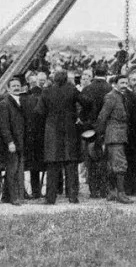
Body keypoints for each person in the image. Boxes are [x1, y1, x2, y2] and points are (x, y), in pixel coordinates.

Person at [38, 69, 82, 204]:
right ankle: (73, 196)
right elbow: (87, 102)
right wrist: (80, 117)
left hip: (52, 131)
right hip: (69, 130)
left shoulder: (46, 91)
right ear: (66, 79)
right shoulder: (72, 90)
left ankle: (50, 197)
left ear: (54, 79)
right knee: (71, 164)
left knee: (52, 165)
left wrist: (48, 119)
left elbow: (39, 111)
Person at [95, 74, 133, 203]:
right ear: (115, 84)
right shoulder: (111, 97)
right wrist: (99, 135)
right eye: (122, 83)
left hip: (119, 135)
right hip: (114, 135)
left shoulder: (122, 97)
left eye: (126, 83)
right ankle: (120, 194)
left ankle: (112, 192)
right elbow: (102, 117)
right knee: (119, 164)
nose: (124, 86)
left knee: (113, 165)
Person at [78, 65, 113, 199]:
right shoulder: (110, 89)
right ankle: (104, 189)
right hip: (105, 128)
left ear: (94, 74)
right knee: (104, 160)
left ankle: (93, 190)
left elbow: (82, 108)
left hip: (90, 129)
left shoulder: (87, 89)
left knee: (91, 161)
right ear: (106, 74)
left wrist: (84, 120)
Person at [0, 76, 26, 205]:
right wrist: (10, 142)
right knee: (12, 170)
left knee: (16, 169)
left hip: (20, 141)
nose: (16, 87)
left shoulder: (21, 101)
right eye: (13, 86)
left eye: (17, 85)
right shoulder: (5, 103)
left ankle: (7, 196)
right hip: (12, 143)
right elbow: (4, 125)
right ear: (8, 88)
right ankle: (14, 198)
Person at [21, 71, 46, 199]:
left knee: (29, 164)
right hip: (42, 135)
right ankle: (39, 190)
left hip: (27, 135)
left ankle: (31, 191)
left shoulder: (24, 99)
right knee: (39, 164)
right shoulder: (44, 97)